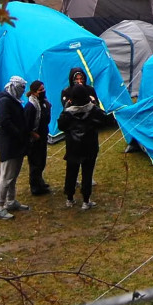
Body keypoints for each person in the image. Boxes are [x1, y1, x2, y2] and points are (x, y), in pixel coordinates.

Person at [59, 67, 100, 209]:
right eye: (76, 79)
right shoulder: (92, 111)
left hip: (73, 147)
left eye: (81, 78)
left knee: (72, 171)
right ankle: (85, 200)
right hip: (89, 146)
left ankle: (70, 198)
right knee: (86, 172)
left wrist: (66, 107)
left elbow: (61, 125)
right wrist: (94, 104)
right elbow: (103, 119)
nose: (79, 81)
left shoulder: (68, 114)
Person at [0, 76, 31, 219]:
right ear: (14, 87)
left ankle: (11, 201)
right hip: (9, 144)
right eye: (21, 88)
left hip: (18, 144)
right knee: (6, 176)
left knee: (13, 175)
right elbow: (5, 122)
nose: (23, 92)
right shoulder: (4, 102)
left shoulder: (13, 100)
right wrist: (19, 133)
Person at [24, 79, 52, 196]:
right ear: (34, 92)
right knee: (35, 163)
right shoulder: (31, 106)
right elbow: (26, 125)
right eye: (40, 90)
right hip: (34, 139)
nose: (43, 91)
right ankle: (35, 186)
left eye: (44, 88)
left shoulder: (44, 102)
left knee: (42, 161)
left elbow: (47, 119)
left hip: (43, 135)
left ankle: (40, 181)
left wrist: (48, 109)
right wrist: (32, 133)